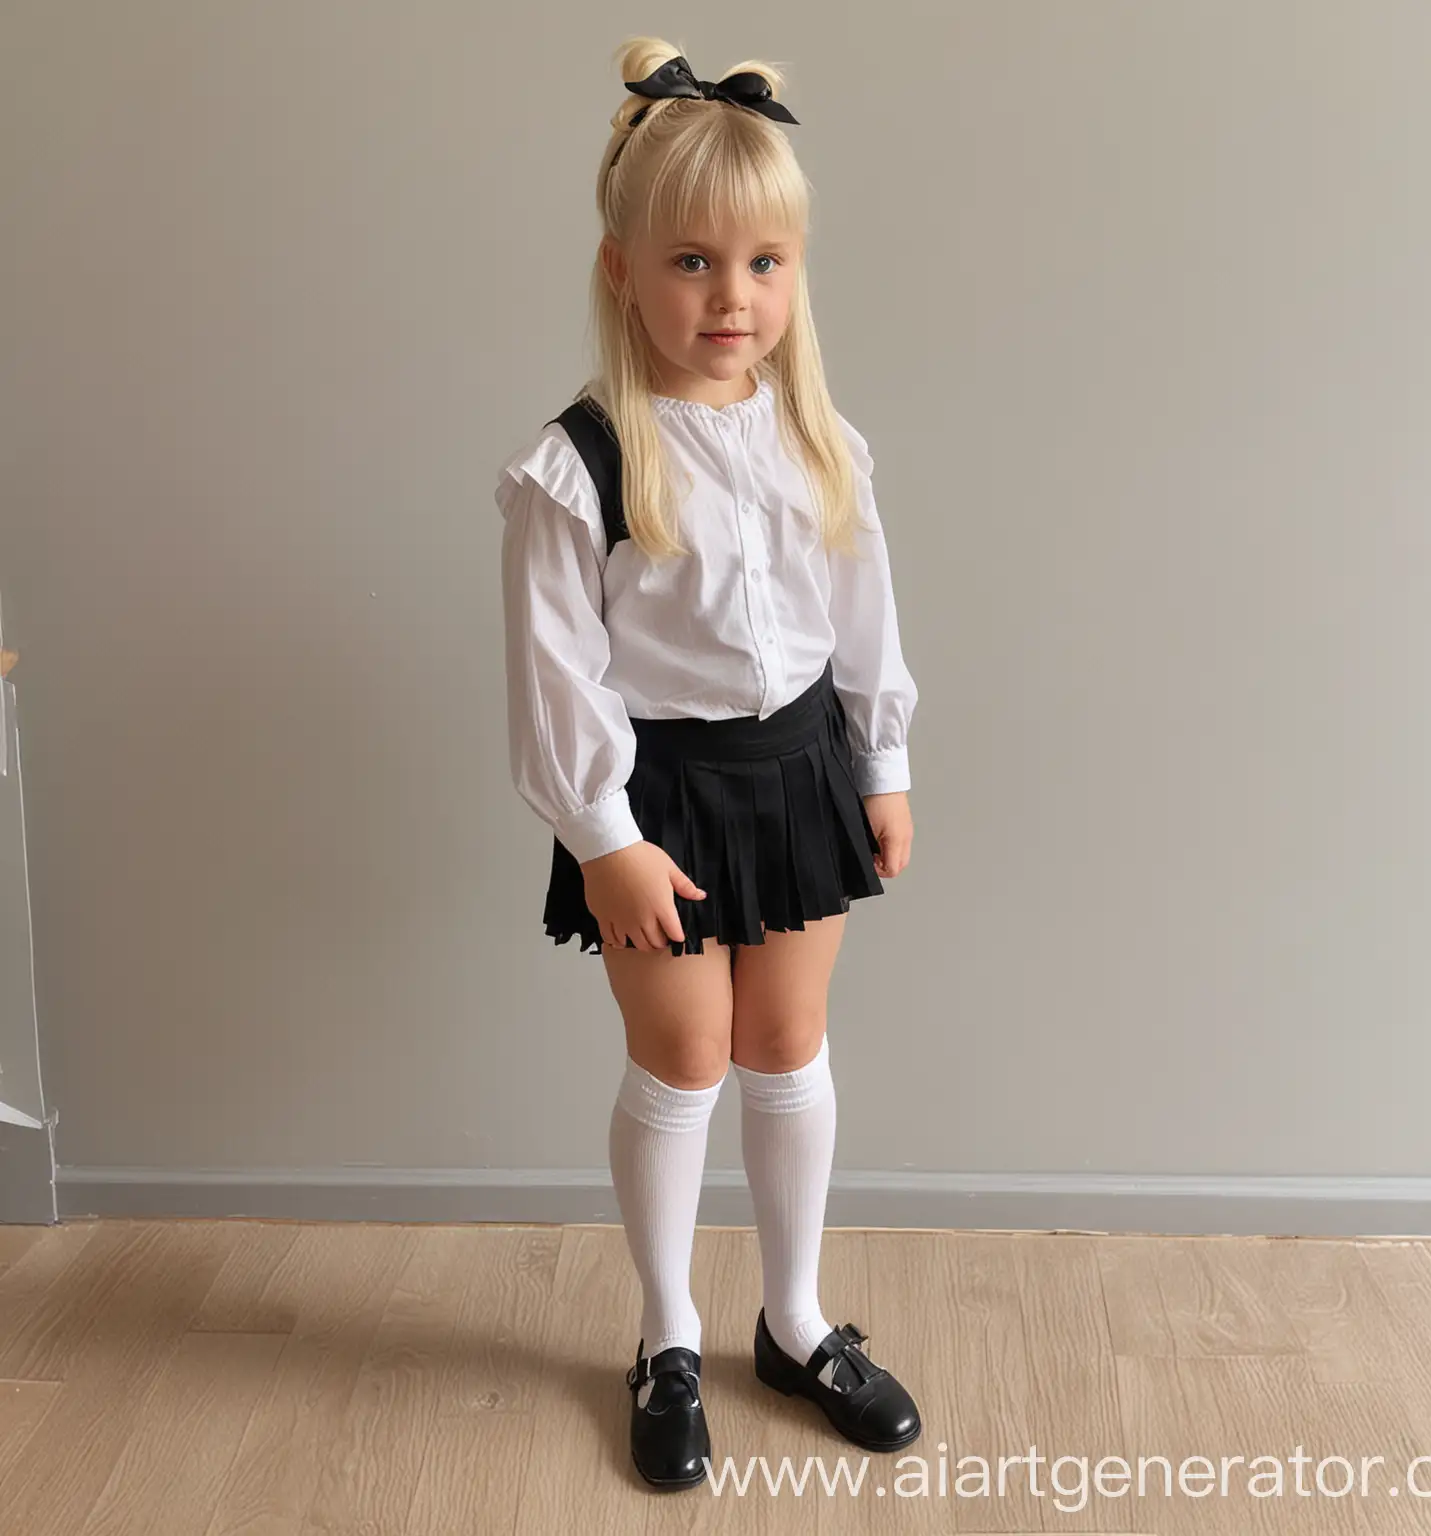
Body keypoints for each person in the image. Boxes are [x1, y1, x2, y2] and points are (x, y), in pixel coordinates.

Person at [495, 36, 921, 1492]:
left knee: (784, 1044)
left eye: (764, 263)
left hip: (802, 769)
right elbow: (557, 672)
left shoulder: (818, 440)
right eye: (690, 262)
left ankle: (793, 1322)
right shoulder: (583, 464)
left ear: (796, 275)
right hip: (652, 798)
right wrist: (603, 833)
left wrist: (886, 760)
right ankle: (667, 1333)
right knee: (683, 1052)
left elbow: (863, 617)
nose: (730, 297)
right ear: (621, 269)